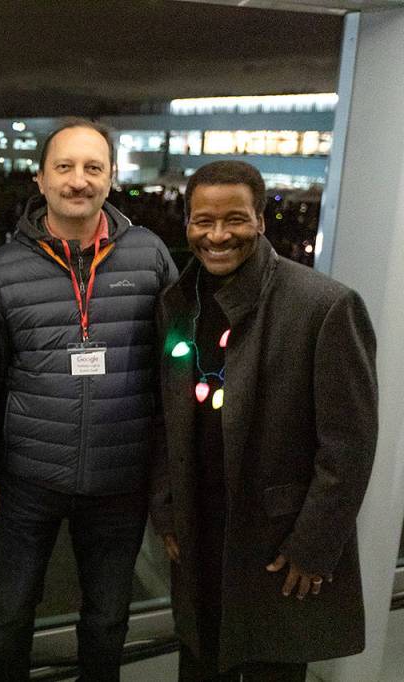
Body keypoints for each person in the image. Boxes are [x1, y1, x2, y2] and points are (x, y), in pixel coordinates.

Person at [152, 160, 378, 681]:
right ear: (187, 224)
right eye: (203, 221)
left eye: (234, 219)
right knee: (201, 662)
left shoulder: (325, 306)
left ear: (260, 220)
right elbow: (165, 416)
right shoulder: (177, 303)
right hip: (199, 531)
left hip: (277, 543)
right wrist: (167, 512)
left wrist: (315, 546)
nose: (217, 235)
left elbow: (349, 444)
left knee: (270, 667)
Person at [0, 118, 177, 681]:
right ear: (40, 179)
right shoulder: (6, 267)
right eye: (64, 167)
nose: (78, 180)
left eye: (93, 167)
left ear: (111, 177)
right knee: (9, 616)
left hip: (121, 477)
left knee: (108, 620)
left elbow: (174, 360)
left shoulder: (149, 254)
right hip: (29, 476)